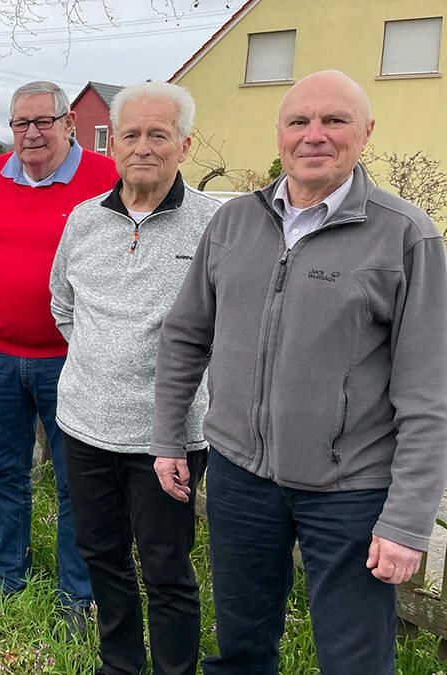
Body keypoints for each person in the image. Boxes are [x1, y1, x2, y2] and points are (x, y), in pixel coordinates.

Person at [152, 70, 447, 674]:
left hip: (350, 491)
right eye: (299, 121)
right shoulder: (234, 222)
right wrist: (167, 438)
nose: (315, 135)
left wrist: (408, 520)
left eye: (334, 121)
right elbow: (185, 336)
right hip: (239, 478)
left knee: (355, 660)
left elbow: (430, 390)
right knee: (240, 648)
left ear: (366, 133)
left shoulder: (405, 236)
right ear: (280, 134)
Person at [51, 81, 219, 675]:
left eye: (158, 134)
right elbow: (62, 305)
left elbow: (233, 324)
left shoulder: (214, 226)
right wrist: (102, 362)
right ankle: (118, 664)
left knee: (166, 566)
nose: (143, 147)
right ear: (113, 145)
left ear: (184, 145)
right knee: (102, 557)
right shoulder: (82, 221)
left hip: (168, 439)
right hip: (84, 426)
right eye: (131, 135)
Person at [0, 80, 118, 627]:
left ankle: (77, 595)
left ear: (68, 124)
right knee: (6, 472)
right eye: (21, 124)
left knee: (75, 480)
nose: (31, 133)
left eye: (43, 121)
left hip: (70, 357)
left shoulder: (103, 179)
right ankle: (8, 577)